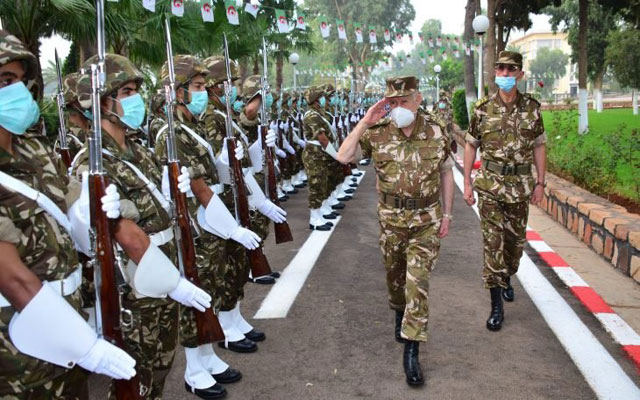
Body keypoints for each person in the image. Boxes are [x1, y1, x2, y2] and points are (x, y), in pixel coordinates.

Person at [0, 29, 136, 399]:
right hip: (17, 345)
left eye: (12, 79)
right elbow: (12, 278)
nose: (11, 90)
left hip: (69, 322)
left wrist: (91, 211)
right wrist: (87, 346)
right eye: (1, 80)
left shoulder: (33, 151)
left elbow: (67, 212)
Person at [337, 76, 454, 387]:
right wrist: (364, 121)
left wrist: (448, 215)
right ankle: (398, 309)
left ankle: (412, 349)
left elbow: (445, 173)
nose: (399, 108)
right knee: (395, 277)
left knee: (418, 281)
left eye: (405, 101)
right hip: (391, 221)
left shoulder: (437, 130)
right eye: (394, 103)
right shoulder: (377, 132)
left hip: (426, 218)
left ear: (417, 99)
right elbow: (343, 156)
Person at [463, 51, 546, 331]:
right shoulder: (483, 108)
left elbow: (539, 146)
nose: (505, 74)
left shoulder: (532, 109)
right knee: (493, 245)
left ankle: (508, 274)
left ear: (520, 75)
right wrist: (466, 182)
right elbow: (471, 144)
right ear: (495, 74)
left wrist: (540, 183)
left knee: (514, 247)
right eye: (501, 69)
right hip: (490, 187)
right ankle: (496, 305)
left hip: (520, 188)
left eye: (511, 70)